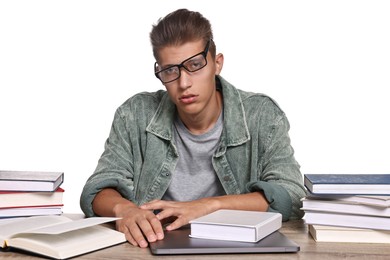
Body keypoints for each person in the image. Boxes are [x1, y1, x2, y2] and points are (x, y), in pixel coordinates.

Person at [80, 8, 306, 248]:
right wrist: (124, 209)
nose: (184, 83)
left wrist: (211, 205)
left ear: (217, 64)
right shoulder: (134, 114)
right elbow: (97, 189)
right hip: (151, 247)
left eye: (195, 65)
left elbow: (291, 195)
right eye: (170, 70)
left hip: (237, 248)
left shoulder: (262, 115)